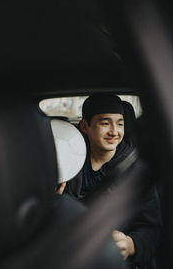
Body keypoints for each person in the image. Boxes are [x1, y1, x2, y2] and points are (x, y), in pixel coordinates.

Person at [64, 93, 162, 269]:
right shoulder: (69, 161)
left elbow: (152, 228)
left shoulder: (137, 169)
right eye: (104, 123)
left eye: (120, 124)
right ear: (85, 126)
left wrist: (132, 244)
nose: (114, 132)